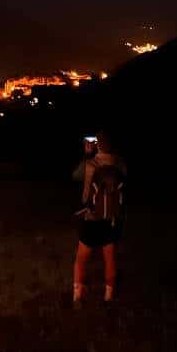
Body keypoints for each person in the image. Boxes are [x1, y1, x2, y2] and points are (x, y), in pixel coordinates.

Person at [71, 131, 127, 306]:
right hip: (111, 219)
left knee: (81, 259)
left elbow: (75, 176)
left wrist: (87, 155)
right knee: (110, 258)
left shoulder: (90, 164)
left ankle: (77, 296)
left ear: (97, 145)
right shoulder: (119, 163)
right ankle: (108, 297)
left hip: (92, 218)